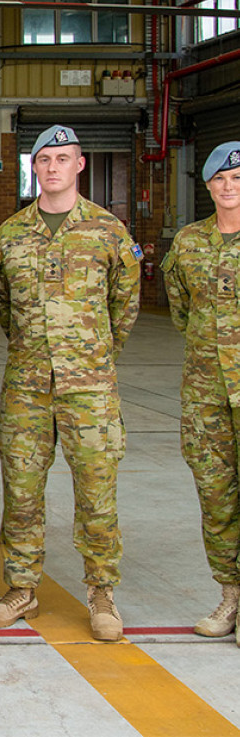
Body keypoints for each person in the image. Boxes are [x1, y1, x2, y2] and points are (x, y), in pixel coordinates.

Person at [0, 126, 140, 642]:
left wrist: (89, 357)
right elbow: (0, 303)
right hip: (27, 387)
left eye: (62, 159)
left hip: (90, 388)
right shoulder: (11, 234)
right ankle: (22, 587)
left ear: (79, 165)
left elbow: (125, 306)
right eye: (43, 159)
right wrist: (36, 353)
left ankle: (101, 592)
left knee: (96, 492)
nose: (52, 167)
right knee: (22, 493)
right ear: (35, 167)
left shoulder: (108, 231)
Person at [162, 140, 240, 642]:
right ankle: (231, 595)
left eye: (238, 178)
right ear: (208, 185)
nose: (230, 186)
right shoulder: (188, 243)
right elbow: (181, 309)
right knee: (216, 496)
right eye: (221, 179)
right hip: (206, 391)